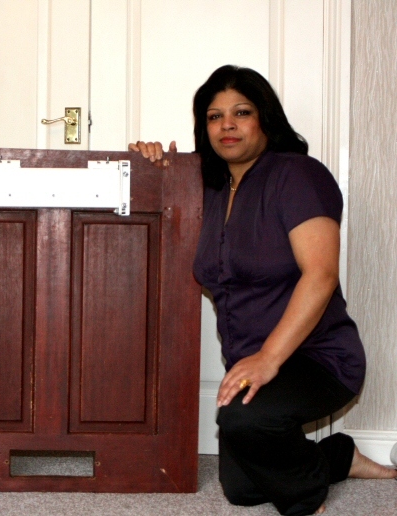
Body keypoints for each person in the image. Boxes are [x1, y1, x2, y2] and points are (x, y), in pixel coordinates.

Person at [130, 65, 396, 516]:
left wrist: (269, 358)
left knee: (245, 421)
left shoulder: (299, 176)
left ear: (265, 119)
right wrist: (147, 158)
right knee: (241, 487)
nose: (227, 125)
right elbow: (149, 189)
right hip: (250, 363)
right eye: (214, 117)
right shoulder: (210, 185)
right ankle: (339, 457)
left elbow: (321, 275)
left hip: (318, 358)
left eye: (241, 112)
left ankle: (307, 502)